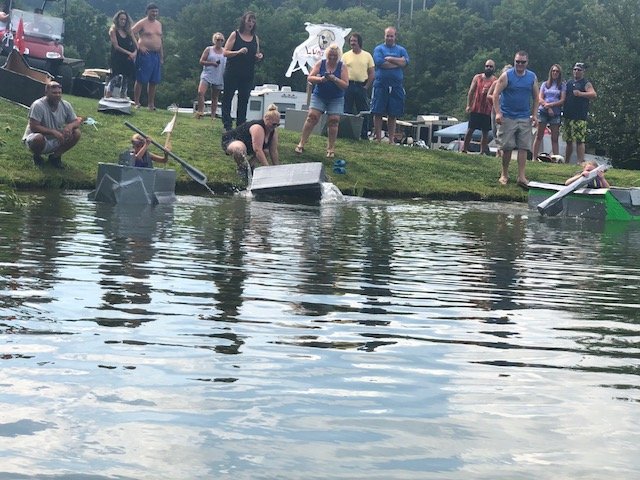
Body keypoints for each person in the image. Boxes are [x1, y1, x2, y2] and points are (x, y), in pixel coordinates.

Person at [491, 51, 539, 187]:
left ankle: (521, 176)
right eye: (517, 61)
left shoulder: (531, 77)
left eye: (522, 62)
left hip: (524, 117)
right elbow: (495, 94)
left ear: (527, 63)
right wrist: (498, 113)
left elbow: (536, 97)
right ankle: (504, 174)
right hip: (507, 116)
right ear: (514, 61)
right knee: (507, 147)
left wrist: (534, 115)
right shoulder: (507, 75)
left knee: (524, 147)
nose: (519, 64)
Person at [294, 44, 349, 158]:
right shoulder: (321, 63)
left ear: (338, 56)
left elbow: (345, 85)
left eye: (335, 55)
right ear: (327, 54)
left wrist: (334, 79)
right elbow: (310, 77)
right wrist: (321, 79)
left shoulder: (342, 67)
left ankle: (331, 148)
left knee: (334, 120)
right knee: (312, 117)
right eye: (330, 55)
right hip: (319, 95)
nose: (332, 57)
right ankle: (302, 143)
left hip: (336, 98)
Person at [22, 82, 82, 168]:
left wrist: (69, 126)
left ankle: (55, 157)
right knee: (38, 138)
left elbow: (76, 121)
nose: (57, 95)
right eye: (54, 93)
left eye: (59, 93)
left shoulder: (66, 105)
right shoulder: (38, 105)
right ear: (46, 93)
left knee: (76, 132)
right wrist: (53, 132)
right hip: (37, 138)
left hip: (57, 138)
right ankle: (37, 156)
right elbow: (34, 127)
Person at [222, 11, 263, 131]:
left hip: (248, 73)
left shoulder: (255, 38)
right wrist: (238, 52)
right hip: (232, 72)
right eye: (249, 20)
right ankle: (227, 124)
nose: (251, 23)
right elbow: (225, 53)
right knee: (228, 98)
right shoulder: (235, 34)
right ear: (244, 21)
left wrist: (258, 56)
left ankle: (240, 125)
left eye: (253, 21)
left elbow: (256, 54)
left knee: (244, 99)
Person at [222, 104, 280, 180]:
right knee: (238, 149)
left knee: (266, 152)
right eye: (273, 124)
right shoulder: (258, 127)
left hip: (248, 146)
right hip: (232, 139)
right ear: (266, 119)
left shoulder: (273, 131)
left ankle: (248, 168)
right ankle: (242, 168)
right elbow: (257, 150)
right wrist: (268, 169)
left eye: (277, 125)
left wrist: (278, 170)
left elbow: (273, 151)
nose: (274, 127)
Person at [371, 26, 409, 143]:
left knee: (393, 113)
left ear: (395, 36)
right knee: (378, 112)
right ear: (384, 36)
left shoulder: (401, 49)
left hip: (396, 86)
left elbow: (405, 62)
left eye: (391, 36)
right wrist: (398, 62)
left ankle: (391, 140)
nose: (389, 38)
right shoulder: (379, 49)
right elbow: (380, 63)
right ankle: (378, 138)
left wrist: (390, 59)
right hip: (381, 84)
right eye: (387, 35)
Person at [342, 32, 374, 140]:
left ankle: (364, 135)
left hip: (361, 86)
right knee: (346, 110)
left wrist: (367, 86)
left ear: (359, 42)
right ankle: (346, 133)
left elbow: (372, 73)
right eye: (351, 41)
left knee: (363, 111)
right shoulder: (345, 55)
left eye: (354, 41)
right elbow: (341, 70)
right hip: (348, 85)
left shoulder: (367, 55)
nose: (352, 43)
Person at [563, 62, 597, 164]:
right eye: (575, 69)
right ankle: (566, 161)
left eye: (579, 70)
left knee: (579, 140)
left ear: (583, 71)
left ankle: (580, 162)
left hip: (580, 116)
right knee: (568, 140)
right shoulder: (569, 83)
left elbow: (593, 94)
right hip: (568, 115)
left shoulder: (585, 83)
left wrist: (581, 94)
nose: (577, 71)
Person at [132, 3, 163, 110]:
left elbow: (160, 40)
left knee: (154, 80)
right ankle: (136, 102)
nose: (154, 13)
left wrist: (161, 56)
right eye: (152, 11)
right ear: (147, 11)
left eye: (156, 11)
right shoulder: (142, 23)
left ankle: (151, 104)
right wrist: (139, 46)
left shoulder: (159, 24)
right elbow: (131, 32)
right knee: (141, 79)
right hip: (145, 54)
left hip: (156, 54)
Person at [532, 64, 565, 162]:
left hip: (555, 113)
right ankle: (534, 157)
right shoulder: (545, 84)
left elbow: (562, 100)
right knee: (539, 135)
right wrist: (547, 106)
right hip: (543, 111)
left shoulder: (562, 85)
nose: (555, 73)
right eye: (553, 71)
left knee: (554, 137)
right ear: (551, 72)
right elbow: (540, 98)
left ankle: (555, 158)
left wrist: (551, 106)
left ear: (559, 73)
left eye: (557, 71)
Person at [463, 59, 497, 154]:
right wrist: (468, 105)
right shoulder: (478, 78)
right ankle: (464, 149)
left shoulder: (495, 81)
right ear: (484, 67)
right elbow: (471, 92)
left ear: (494, 68)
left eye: (491, 66)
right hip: (476, 108)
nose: (488, 68)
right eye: (487, 66)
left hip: (488, 110)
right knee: (470, 129)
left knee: (485, 132)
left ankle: (482, 152)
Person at [195, 32, 226, 120]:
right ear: (214, 40)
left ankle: (213, 116)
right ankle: (200, 112)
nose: (219, 41)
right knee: (201, 92)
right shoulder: (209, 49)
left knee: (215, 97)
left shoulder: (225, 51)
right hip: (207, 74)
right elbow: (201, 61)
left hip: (219, 76)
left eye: (221, 40)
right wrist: (212, 63)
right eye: (217, 40)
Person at [107, 10, 136, 99]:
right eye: (121, 19)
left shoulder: (129, 31)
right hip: (117, 58)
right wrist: (129, 53)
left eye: (125, 19)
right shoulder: (113, 30)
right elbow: (116, 46)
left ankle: (123, 95)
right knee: (115, 78)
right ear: (117, 19)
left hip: (128, 59)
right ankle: (108, 94)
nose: (123, 21)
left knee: (126, 79)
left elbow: (136, 44)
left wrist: (134, 53)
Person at [488, 64, 512, 158]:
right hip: (495, 110)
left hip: (507, 112)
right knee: (495, 131)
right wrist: (496, 97)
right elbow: (489, 95)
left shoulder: (512, 85)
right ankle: (499, 150)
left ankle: (501, 150)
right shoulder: (496, 83)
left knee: (503, 131)